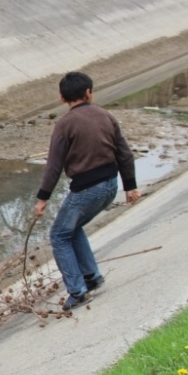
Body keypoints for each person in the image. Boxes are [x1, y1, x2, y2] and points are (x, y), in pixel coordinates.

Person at [34, 71, 139, 311]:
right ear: (89, 93)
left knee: (59, 236)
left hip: (87, 190)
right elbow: (125, 154)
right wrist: (130, 187)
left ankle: (78, 292)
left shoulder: (64, 124)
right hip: (110, 185)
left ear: (62, 98)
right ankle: (91, 276)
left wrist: (42, 198)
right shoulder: (105, 115)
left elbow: (54, 166)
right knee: (72, 228)